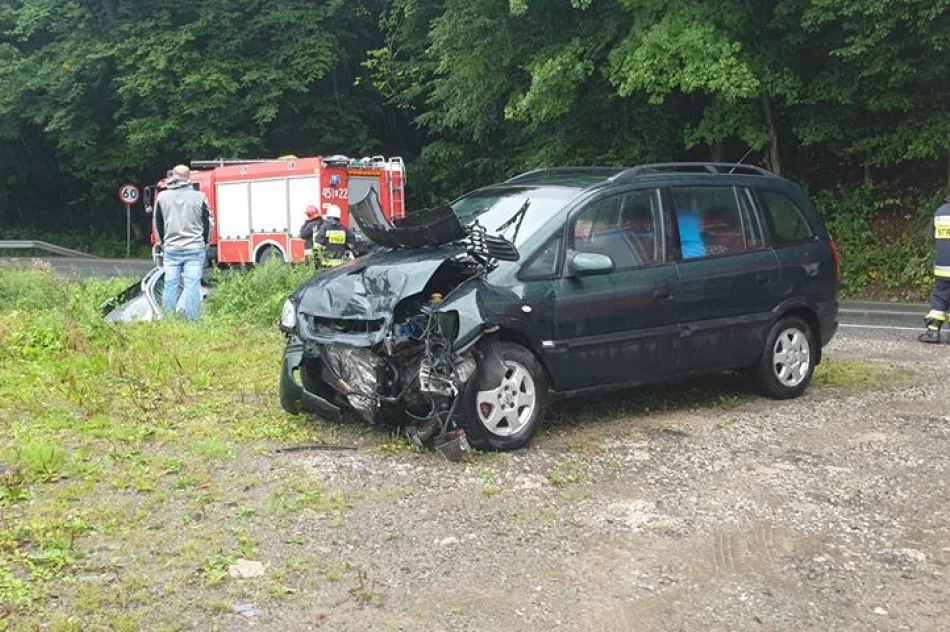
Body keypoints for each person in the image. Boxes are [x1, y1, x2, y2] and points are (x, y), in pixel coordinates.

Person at [153, 165, 211, 321]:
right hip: (195, 248)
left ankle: (169, 320)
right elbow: (208, 223)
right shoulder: (200, 197)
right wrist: (205, 243)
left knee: (170, 284)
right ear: (188, 178)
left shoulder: (162, 197)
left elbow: (157, 222)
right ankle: (193, 321)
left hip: (171, 248)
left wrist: (162, 242)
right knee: (192, 285)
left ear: (173, 176)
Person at [920, 193, 950, 343]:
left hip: (942, 267)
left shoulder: (940, 212)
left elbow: (932, 235)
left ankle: (932, 332)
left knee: (939, 298)